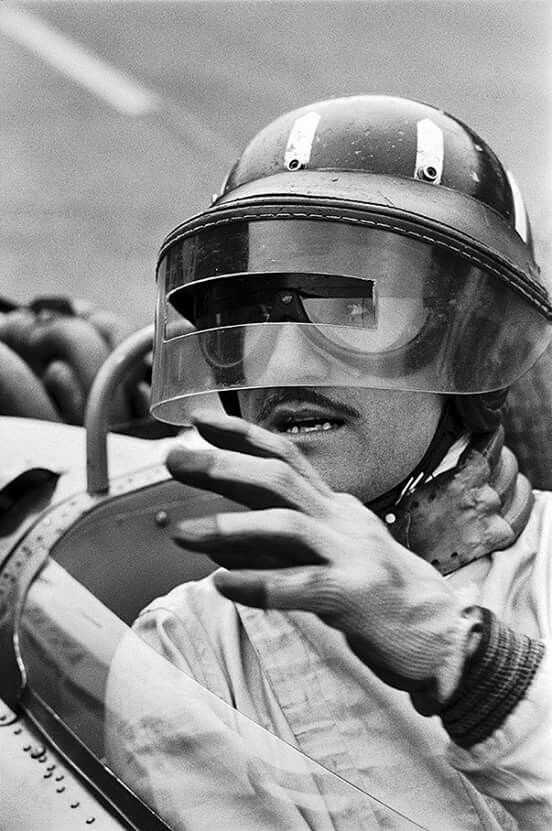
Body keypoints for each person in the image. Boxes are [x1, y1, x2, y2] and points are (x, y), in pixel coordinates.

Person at [106, 96, 552, 830]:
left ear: (472, 347)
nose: (283, 362)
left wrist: (474, 669)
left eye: (348, 308)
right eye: (250, 317)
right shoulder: (190, 652)